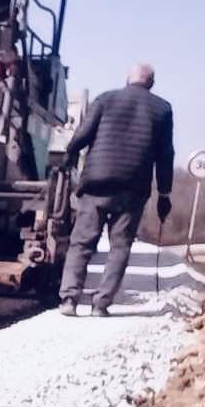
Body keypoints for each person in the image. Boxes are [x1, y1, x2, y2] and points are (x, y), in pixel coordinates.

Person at [58, 64, 174, 315]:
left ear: (127, 79)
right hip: (133, 187)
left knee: (81, 243)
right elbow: (166, 155)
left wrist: (70, 153)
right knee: (120, 246)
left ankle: (69, 300)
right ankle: (101, 305)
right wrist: (164, 193)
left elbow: (83, 133)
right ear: (151, 83)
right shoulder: (162, 109)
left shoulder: (106, 99)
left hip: (97, 183)